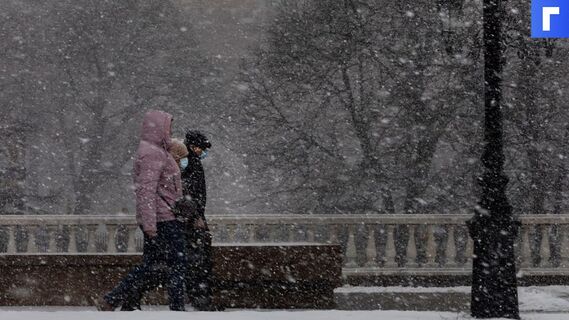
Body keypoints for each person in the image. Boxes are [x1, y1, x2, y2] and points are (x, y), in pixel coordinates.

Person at [98, 110, 188, 311]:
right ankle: (176, 307)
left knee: (153, 264)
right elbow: (146, 192)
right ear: (159, 128)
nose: (170, 131)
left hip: (162, 218)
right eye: (168, 127)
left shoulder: (156, 151)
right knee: (175, 263)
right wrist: (150, 224)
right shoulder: (152, 154)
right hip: (163, 220)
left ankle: (117, 300)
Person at [182, 130, 216, 311]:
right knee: (199, 261)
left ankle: (199, 297)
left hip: (193, 218)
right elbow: (191, 193)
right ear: (194, 147)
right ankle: (200, 298)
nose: (203, 152)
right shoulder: (189, 164)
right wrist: (196, 217)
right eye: (202, 148)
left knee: (197, 260)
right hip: (192, 221)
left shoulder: (188, 162)